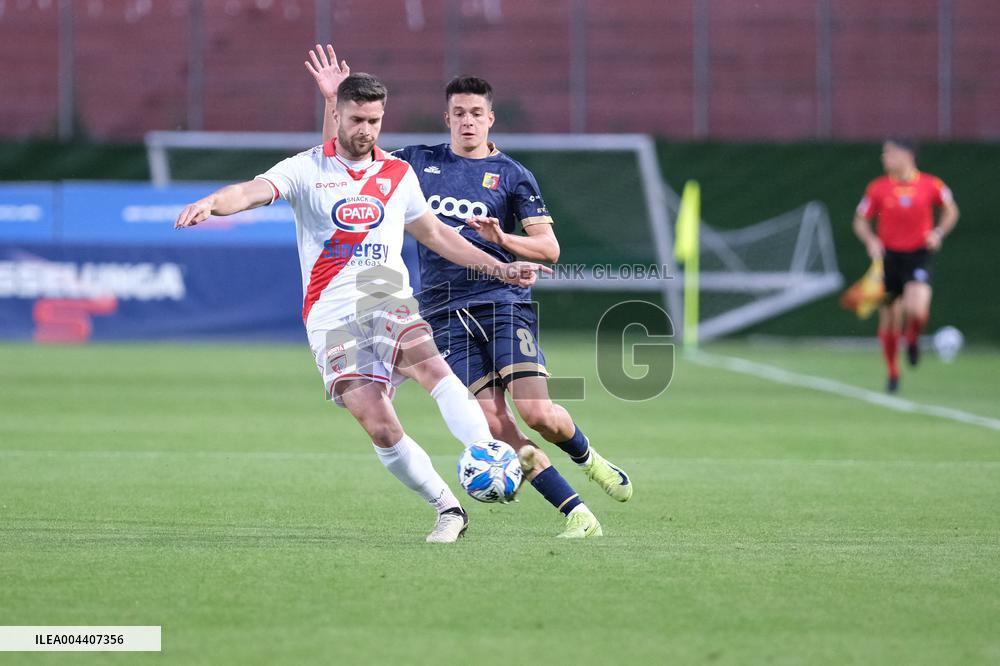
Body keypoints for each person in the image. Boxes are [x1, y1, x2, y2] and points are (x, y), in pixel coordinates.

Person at [175, 72, 550, 543]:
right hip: (330, 314)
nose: (366, 130)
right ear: (338, 115)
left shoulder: (396, 174)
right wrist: (213, 202)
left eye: (374, 120)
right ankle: (448, 509)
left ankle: (486, 451)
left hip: (383, 294)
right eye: (356, 119)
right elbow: (252, 191)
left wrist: (501, 268)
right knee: (379, 425)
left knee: (431, 367)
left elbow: (436, 235)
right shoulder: (307, 168)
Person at [306, 44, 632, 539]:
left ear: (491, 119)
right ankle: (576, 513)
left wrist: (504, 240)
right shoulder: (415, 163)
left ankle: (589, 457)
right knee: (495, 425)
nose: (467, 122)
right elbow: (341, 161)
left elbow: (549, 249)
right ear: (447, 117)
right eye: (458, 113)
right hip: (441, 313)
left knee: (538, 413)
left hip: (503, 305)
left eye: (476, 113)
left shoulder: (513, 176)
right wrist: (334, 101)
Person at [853, 138, 959, 393]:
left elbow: (951, 210)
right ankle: (893, 372)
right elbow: (860, 220)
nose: (884, 157)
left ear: (907, 155)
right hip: (889, 259)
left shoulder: (931, 184)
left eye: (889, 152)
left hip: (918, 255)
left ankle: (911, 338)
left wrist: (938, 233)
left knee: (917, 309)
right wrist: (870, 241)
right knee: (890, 318)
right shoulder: (877, 188)